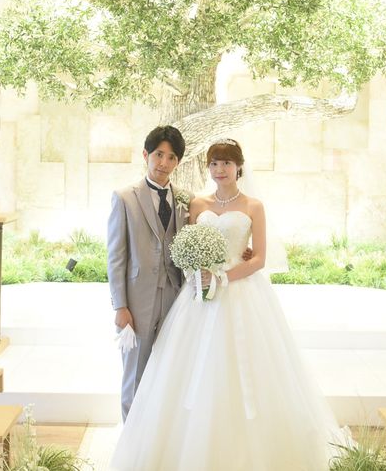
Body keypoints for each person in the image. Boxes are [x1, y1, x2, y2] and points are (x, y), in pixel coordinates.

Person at [110, 138, 341, 471]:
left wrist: (223, 277)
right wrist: (198, 274)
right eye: (214, 164)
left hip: (241, 293)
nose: (220, 170)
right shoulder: (196, 204)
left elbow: (259, 258)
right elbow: (185, 247)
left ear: (239, 167)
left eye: (227, 163)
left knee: (246, 366)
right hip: (198, 298)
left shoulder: (254, 206)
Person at [107, 125, 190, 421]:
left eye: (171, 157)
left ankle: (160, 434)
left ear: (178, 162)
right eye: (158, 155)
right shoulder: (124, 198)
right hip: (137, 302)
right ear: (146, 155)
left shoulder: (186, 200)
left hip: (176, 298)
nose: (164, 163)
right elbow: (116, 257)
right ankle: (131, 438)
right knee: (135, 374)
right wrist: (120, 306)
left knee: (170, 372)